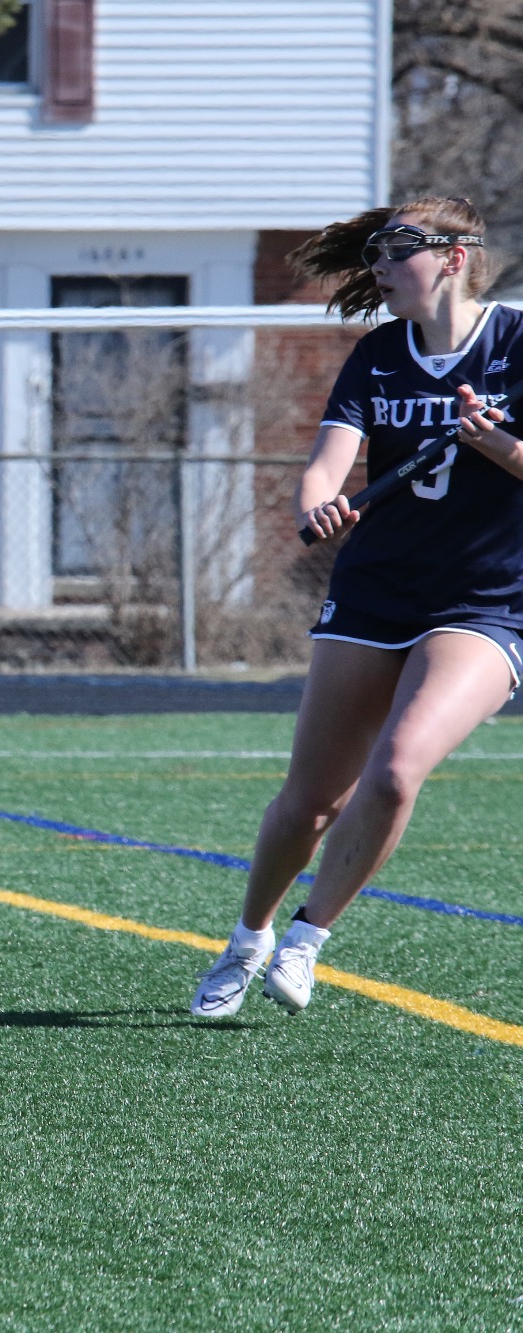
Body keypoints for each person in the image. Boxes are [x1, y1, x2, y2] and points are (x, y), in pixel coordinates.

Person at [192, 195, 523, 1018]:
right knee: (310, 801)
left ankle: (306, 940)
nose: (377, 265)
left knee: (399, 767)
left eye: (396, 249)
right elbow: (325, 463)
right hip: (376, 591)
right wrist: (320, 503)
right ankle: (248, 938)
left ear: (454, 255)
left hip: (487, 601)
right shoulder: (379, 353)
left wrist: (502, 447)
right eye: (373, 251)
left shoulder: (517, 343)